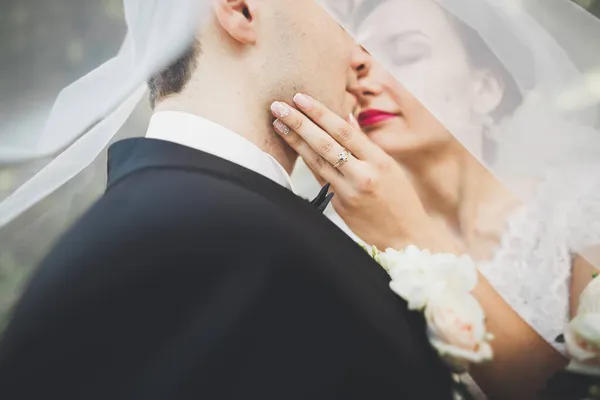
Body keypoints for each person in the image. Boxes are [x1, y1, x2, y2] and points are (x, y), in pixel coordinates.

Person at [0, 1, 454, 399]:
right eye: (343, 14)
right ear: (241, 10)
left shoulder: (185, 221)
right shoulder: (206, 245)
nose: (362, 58)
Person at [282, 0, 600, 398]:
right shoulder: (342, 237)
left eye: (406, 53)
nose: (362, 81)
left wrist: (409, 233)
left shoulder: (585, 206)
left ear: (484, 89)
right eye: (356, 64)